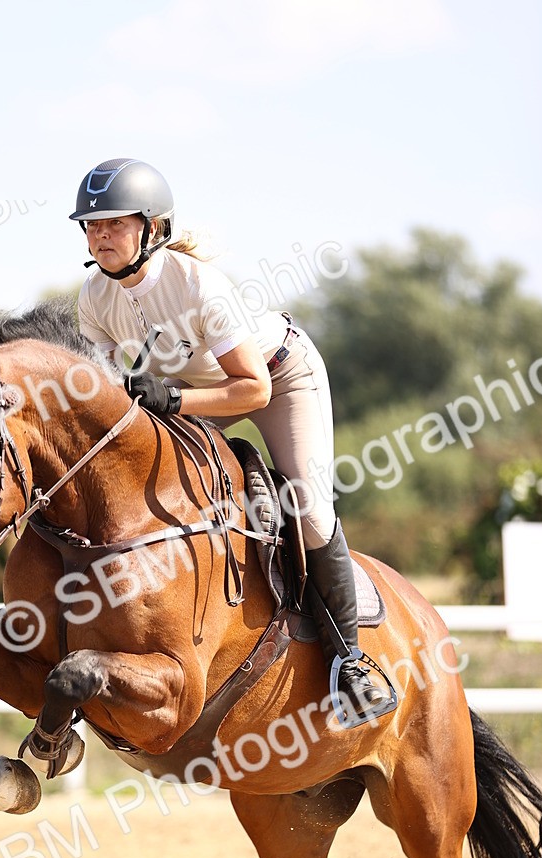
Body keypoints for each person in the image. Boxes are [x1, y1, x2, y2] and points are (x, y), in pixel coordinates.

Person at [70, 156, 389, 719]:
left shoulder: (199, 286)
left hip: (278, 377)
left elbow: (252, 389)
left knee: (308, 507)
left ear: (153, 227)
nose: (101, 236)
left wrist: (174, 402)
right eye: (92, 225)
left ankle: (350, 663)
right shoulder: (94, 298)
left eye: (115, 223)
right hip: (195, 390)